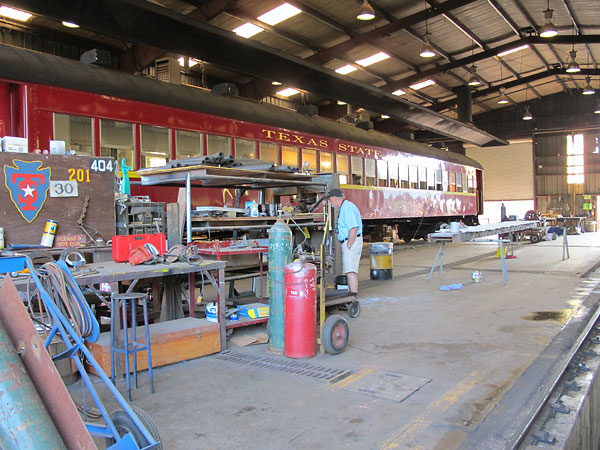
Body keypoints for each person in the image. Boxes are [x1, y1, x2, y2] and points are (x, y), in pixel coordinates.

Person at [328, 188, 363, 293]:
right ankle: (352, 295)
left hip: (351, 242)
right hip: (350, 241)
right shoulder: (345, 207)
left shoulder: (347, 207)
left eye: (330, 200)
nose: (330, 202)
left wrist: (348, 245)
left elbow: (353, 228)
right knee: (349, 271)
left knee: (350, 272)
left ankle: (353, 297)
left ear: (334, 198)